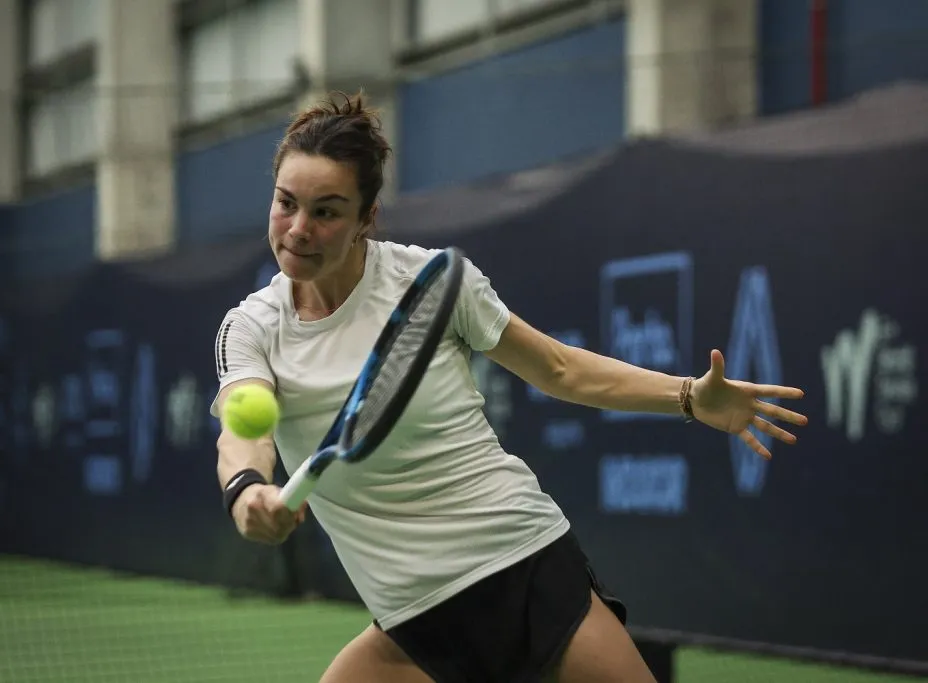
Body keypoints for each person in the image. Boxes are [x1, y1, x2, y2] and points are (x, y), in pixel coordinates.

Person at [210, 92, 808, 683]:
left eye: (327, 211)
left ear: (367, 217)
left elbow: (558, 369)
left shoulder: (429, 283)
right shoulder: (252, 328)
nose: (298, 229)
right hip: (409, 620)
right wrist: (246, 492)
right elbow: (244, 432)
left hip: (519, 567)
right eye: (285, 203)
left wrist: (688, 397)